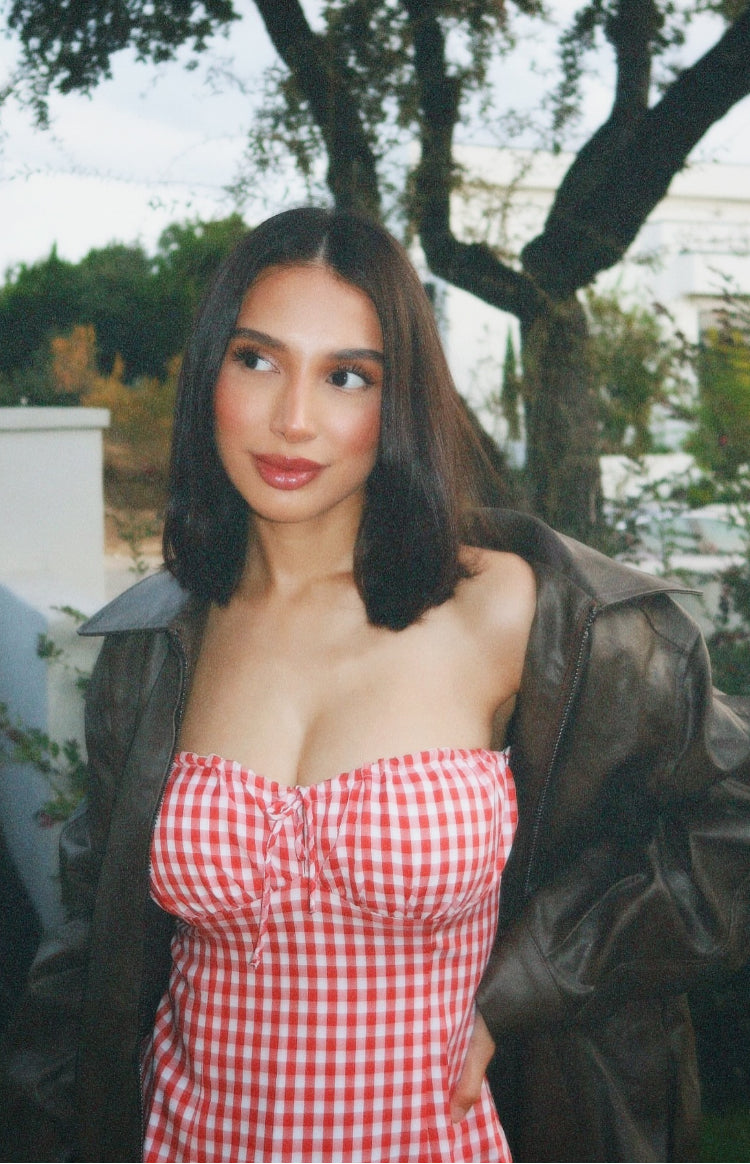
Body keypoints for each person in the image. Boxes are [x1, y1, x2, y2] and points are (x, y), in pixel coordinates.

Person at [1, 206, 750, 1164]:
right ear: (210, 378)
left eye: (346, 376)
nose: (294, 420)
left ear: (396, 405)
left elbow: (726, 820)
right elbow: (84, 956)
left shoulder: (515, 611)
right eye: (258, 361)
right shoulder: (158, 644)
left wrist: (533, 979)